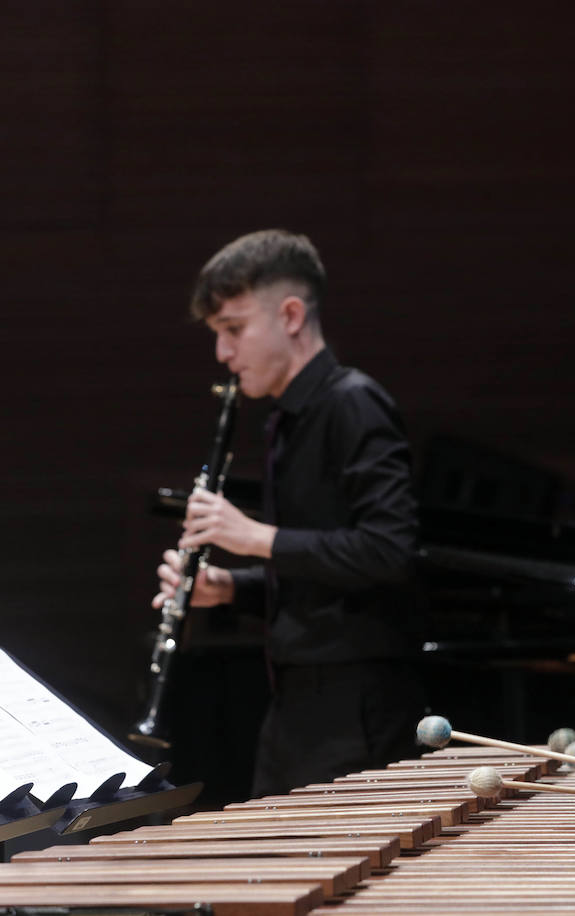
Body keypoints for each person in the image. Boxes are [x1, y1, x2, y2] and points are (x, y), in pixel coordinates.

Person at [155, 229, 425, 797]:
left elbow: (389, 551)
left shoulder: (353, 403)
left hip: (356, 709)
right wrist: (228, 586)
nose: (223, 354)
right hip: (299, 707)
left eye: (233, 330)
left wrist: (256, 537)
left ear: (292, 315)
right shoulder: (286, 420)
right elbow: (318, 572)